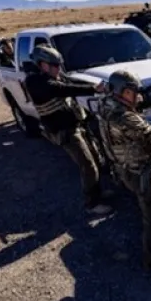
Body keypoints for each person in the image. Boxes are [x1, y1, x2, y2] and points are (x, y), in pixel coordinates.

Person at [97, 69, 151, 276]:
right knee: (150, 215)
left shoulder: (105, 105)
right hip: (139, 172)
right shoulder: (124, 117)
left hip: (124, 168)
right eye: (133, 91)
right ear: (123, 92)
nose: (137, 96)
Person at [24, 44, 112, 215]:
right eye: (56, 65)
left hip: (76, 126)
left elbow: (71, 83)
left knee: (94, 158)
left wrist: (94, 84)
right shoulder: (35, 81)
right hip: (65, 131)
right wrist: (93, 89)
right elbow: (60, 89)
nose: (59, 69)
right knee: (87, 165)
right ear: (43, 65)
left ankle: (97, 193)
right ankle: (91, 204)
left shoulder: (55, 76)